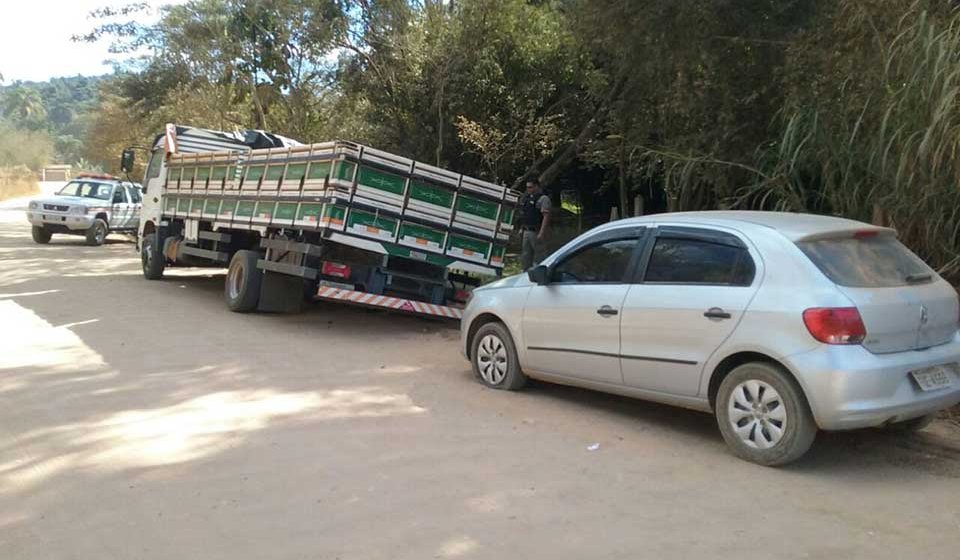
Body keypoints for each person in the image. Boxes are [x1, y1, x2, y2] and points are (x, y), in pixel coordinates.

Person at [519, 178, 551, 270]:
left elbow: (546, 216)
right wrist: (522, 228)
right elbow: (525, 214)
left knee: (540, 256)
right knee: (526, 256)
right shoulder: (527, 198)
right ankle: (525, 273)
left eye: (531, 187)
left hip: (536, 231)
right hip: (526, 230)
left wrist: (542, 232)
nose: (528, 189)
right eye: (527, 187)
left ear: (537, 186)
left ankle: (541, 273)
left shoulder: (543, 198)